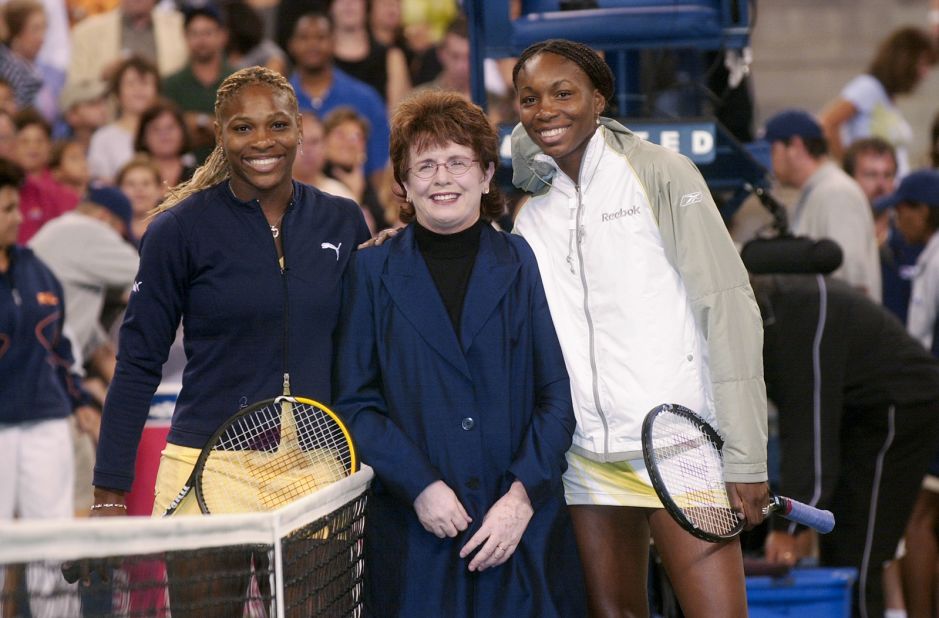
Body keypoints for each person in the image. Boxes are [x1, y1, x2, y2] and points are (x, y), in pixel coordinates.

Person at [90, 65, 370, 612]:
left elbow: (368, 348)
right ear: (220, 135)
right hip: (205, 466)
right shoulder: (176, 230)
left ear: (300, 131)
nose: (262, 141)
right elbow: (138, 363)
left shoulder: (342, 221)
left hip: (317, 469)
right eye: (243, 128)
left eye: (278, 125)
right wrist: (108, 492)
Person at [510, 39, 768, 616]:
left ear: (599, 98)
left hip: (679, 448)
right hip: (586, 460)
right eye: (529, 98)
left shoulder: (661, 173)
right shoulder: (531, 213)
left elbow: (728, 308)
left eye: (563, 92)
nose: (545, 109)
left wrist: (746, 457)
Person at [332, 89, 584, 617]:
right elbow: (355, 402)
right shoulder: (370, 270)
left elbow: (556, 396)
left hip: (517, 528)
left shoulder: (520, 261)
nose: (441, 178)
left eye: (457, 162)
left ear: (487, 174)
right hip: (415, 530)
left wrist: (520, 500)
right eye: (424, 165)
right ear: (402, 182)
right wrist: (420, 486)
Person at [752, 272, 939, 617]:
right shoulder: (775, 311)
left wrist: (788, 529)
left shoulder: (796, 319)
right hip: (860, 416)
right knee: (841, 546)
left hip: (901, 407)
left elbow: (808, 430)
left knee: (859, 557)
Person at [0, 156, 96, 616]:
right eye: (5, 209)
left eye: (14, 206)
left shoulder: (37, 270)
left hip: (46, 423)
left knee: (52, 546)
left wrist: (78, 398)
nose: (17, 218)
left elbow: (63, 345)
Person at [763, 109, 882, 302]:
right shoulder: (815, 192)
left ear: (796, 146)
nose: (770, 160)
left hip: (843, 328)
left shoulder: (836, 192)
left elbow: (850, 280)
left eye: (773, 150)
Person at [286, 10, 391, 192]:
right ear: (291, 45)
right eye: (304, 38)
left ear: (334, 42)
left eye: (320, 37)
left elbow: (380, 170)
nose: (313, 45)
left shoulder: (366, 98)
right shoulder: (278, 102)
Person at [819, 26, 935, 178]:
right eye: (922, 63)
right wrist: (851, 170)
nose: (925, 73)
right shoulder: (868, 87)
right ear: (904, 60)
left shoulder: (887, 98)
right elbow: (827, 123)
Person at [161, 5, 235, 165]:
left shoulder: (240, 80)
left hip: (232, 169)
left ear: (223, 36)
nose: (201, 40)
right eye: (194, 33)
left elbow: (243, 128)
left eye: (207, 33)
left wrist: (200, 122)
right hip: (183, 174)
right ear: (185, 37)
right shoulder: (170, 84)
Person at [66, 0, 186, 86]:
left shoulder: (180, 26)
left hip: (165, 112)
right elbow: (75, 88)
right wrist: (103, 77)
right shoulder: (87, 32)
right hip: (109, 114)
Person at [86, 55, 160, 183]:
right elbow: (99, 182)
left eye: (145, 83)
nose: (139, 90)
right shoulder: (103, 137)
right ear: (117, 94)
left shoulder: (169, 133)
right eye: (131, 84)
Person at [133, 99, 195, 190]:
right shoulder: (133, 177)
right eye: (156, 129)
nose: (164, 134)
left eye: (170, 127)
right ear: (143, 138)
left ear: (183, 132)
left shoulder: (197, 177)